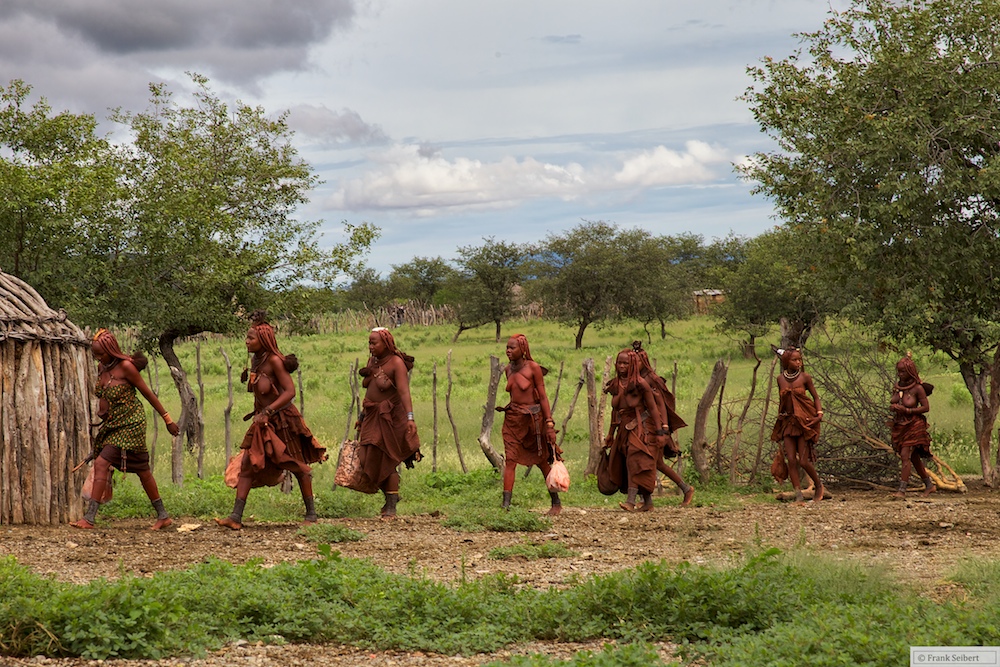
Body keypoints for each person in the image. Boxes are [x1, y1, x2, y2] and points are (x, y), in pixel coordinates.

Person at [215, 311, 326, 530]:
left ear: (263, 340)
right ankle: (236, 518)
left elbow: (290, 391)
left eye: (251, 338)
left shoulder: (275, 361)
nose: (247, 341)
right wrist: (262, 414)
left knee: (296, 466)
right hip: (263, 422)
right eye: (247, 337)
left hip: (283, 421)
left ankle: (311, 515)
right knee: (247, 465)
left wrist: (269, 410)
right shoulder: (256, 360)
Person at [71, 329, 180, 530]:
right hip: (114, 424)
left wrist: (168, 420)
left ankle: (90, 518)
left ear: (111, 350)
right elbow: (103, 395)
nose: (98, 358)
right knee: (142, 469)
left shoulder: (126, 367)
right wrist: (103, 413)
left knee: (102, 462)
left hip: (132, 423)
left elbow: (148, 394)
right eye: (95, 354)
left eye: (101, 354)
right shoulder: (101, 367)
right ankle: (163, 515)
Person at [356, 327, 422, 520]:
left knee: (386, 458)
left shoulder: (396, 363)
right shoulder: (372, 362)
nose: (371, 346)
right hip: (372, 416)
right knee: (365, 457)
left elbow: (404, 393)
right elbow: (371, 392)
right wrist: (361, 417)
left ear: (386, 343)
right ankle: (391, 496)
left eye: (374, 342)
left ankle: (391, 507)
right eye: (369, 342)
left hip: (391, 418)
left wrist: (410, 418)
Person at [496, 334, 564, 515]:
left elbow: (542, 396)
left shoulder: (533, 368)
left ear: (523, 349)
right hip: (513, 420)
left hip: (534, 421)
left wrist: (549, 423)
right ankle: (505, 506)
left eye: (512, 348)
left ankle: (556, 503)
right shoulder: (507, 370)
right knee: (510, 460)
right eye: (507, 348)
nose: (508, 351)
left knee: (542, 461)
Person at [631, 341, 694, 506]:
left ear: (643, 362)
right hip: (643, 427)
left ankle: (644, 499)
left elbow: (660, 405)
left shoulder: (651, 379)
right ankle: (684, 489)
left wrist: (664, 430)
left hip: (654, 427)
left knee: (648, 462)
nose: (634, 364)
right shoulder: (635, 379)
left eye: (636, 361)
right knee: (656, 463)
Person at [604, 348, 666, 512]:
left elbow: (653, 408)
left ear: (632, 364)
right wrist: (610, 434)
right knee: (630, 462)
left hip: (641, 427)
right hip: (624, 429)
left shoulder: (641, 384)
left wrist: (661, 431)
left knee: (635, 461)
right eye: (619, 362)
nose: (621, 366)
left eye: (626, 363)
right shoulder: (616, 384)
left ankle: (631, 501)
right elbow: (615, 412)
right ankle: (648, 502)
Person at [770, 347, 824, 504]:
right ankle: (798, 494)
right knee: (791, 460)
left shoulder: (805, 378)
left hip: (804, 422)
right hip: (788, 422)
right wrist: (780, 421)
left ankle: (819, 486)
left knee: (804, 461)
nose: (798, 362)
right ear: (787, 361)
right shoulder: (780, 379)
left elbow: (815, 397)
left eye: (800, 359)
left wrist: (819, 414)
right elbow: (783, 402)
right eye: (795, 360)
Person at [890, 355, 936, 498]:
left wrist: (908, 410)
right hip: (900, 425)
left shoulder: (918, 389)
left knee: (905, 455)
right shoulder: (898, 388)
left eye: (903, 371)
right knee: (914, 457)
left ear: (910, 372)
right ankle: (929, 485)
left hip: (914, 425)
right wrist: (895, 407)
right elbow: (893, 402)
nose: (900, 374)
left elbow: (926, 407)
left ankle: (902, 490)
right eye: (899, 371)